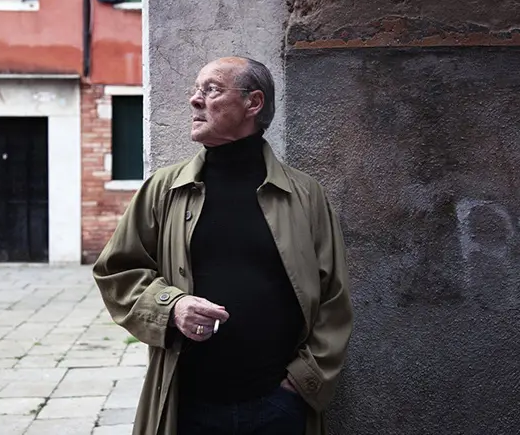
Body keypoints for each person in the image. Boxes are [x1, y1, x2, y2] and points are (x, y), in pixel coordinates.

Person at [92, 57, 353, 435]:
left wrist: (303, 380)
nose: (195, 100)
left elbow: (334, 296)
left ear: (253, 103)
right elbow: (116, 270)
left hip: (278, 406)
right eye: (196, 90)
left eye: (211, 90)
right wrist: (172, 306)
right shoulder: (164, 189)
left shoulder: (305, 195)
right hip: (187, 404)